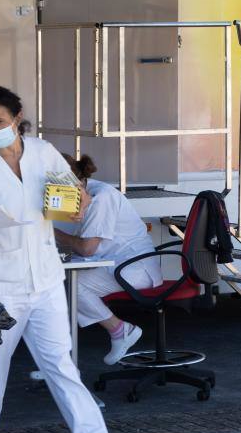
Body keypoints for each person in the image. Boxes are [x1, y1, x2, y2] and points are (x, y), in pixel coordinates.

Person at [0, 86, 113, 433]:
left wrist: (76, 207)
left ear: (17, 117)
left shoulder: (43, 152)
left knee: (60, 363)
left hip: (44, 279)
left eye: (0, 121)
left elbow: (71, 198)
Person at [54, 154, 163, 365]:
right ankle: (57, 365)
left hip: (135, 268)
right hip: (113, 263)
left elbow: (86, 249)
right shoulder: (82, 190)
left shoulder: (101, 197)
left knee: (71, 286)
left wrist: (53, 235)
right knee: (57, 286)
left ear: (73, 183)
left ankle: (120, 329)